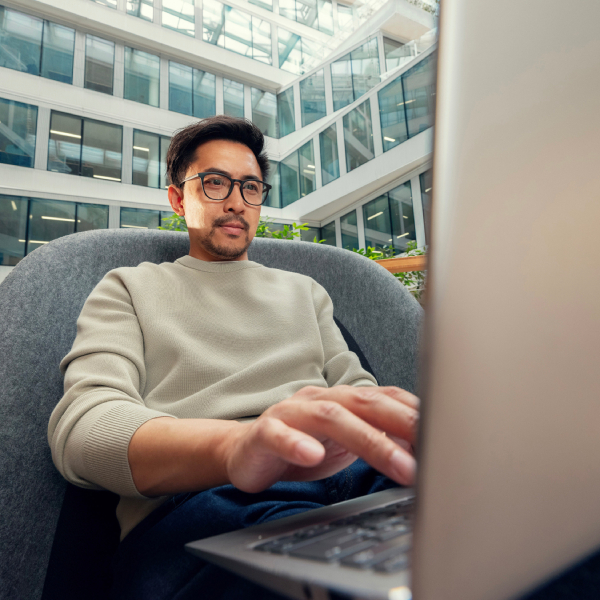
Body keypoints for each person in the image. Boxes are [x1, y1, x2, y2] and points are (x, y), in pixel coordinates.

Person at [48, 115, 419, 600]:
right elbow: (85, 428)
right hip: (207, 503)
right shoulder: (130, 287)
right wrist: (236, 447)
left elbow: (358, 395)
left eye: (250, 187)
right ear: (179, 198)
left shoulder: (305, 291)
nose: (235, 203)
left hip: (355, 482)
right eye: (215, 183)